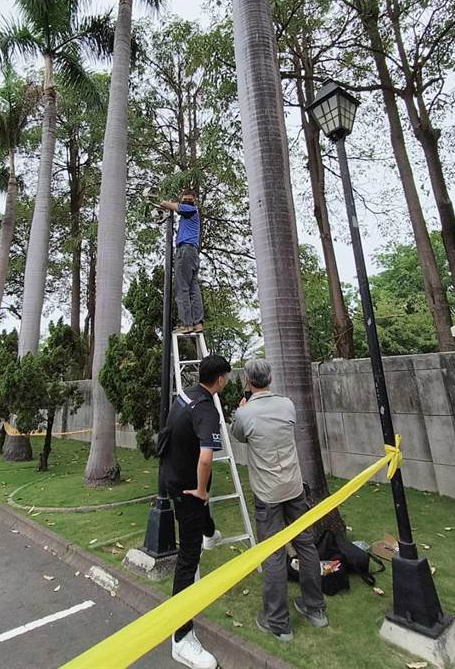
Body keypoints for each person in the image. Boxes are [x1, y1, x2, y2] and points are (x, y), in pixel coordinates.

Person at [231, 358, 328, 642]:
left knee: (273, 553)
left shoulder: (245, 415)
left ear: (247, 381)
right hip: (294, 487)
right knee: (305, 545)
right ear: (270, 378)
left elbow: (240, 436)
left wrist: (241, 410)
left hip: (267, 493)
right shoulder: (287, 405)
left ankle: (278, 622)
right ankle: (315, 609)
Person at [160, 353, 231, 669]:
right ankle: (181, 637)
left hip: (171, 477)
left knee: (203, 517)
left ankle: (210, 533)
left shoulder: (186, 393)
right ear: (219, 380)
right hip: (188, 491)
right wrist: (201, 490)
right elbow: (206, 458)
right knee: (188, 561)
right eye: (226, 377)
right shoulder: (206, 409)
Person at [158, 189, 203, 333]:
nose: (186, 201)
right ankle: (198, 323)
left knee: (182, 287)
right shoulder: (190, 213)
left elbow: (169, 205)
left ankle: (186, 324)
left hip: (185, 251)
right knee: (193, 289)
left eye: (187, 199)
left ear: (191, 200)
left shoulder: (190, 209)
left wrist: (164, 202)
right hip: (193, 253)